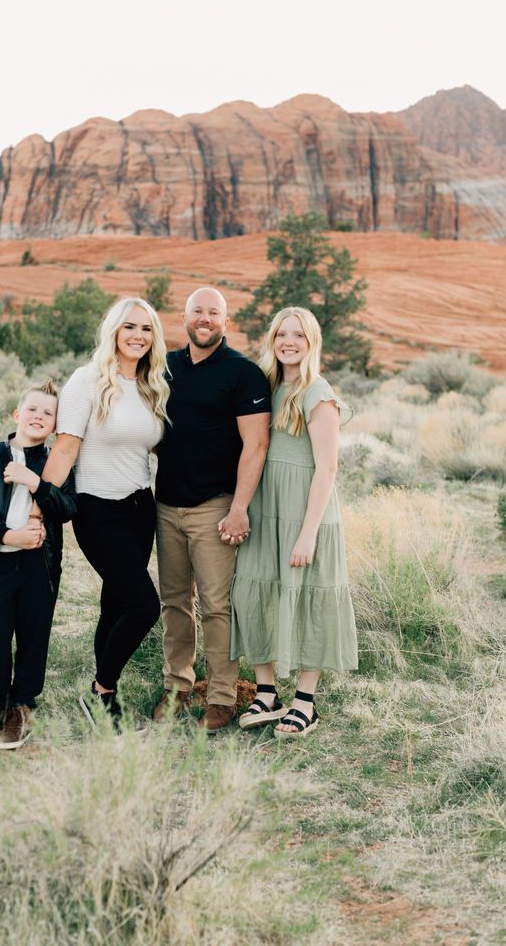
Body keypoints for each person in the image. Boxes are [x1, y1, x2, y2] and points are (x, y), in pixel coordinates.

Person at [35, 297, 170, 729]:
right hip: (97, 510)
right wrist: (39, 510)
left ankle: (104, 706)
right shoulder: (86, 381)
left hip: (140, 509)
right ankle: (101, 691)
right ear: (113, 330)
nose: (138, 336)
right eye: (129, 326)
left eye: (146, 329)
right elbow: (66, 446)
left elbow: (149, 445)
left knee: (115, 605)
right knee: (144, 605)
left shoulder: (152, 385)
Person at [230, 307, 358, 737]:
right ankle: (266, 692)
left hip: (304, 509)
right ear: (272, 339)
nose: (289, 342)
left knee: (306, 598)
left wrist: (307, 534)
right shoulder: (263, 386)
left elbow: (327, 469)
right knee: (255, 588)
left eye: (298, 335)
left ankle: (306, 701)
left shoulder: (317, 392)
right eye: (281, 334)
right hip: (264, 504)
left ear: (311, 341)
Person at [153, 287, 271, 732]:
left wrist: (239, 508)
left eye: (213, 313)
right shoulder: (165, 367)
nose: (205, 319)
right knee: (175, 601)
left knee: (217, 606)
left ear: (226, 320)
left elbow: (256, 445)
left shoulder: (242, 373)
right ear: (184, 317)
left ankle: (221, 696)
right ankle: (177, 686)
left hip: (215, 507)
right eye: (197, 311)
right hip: (165, 504)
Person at [0, 380, 77, 750]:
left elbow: (68, 507)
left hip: (39, 567)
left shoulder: (56, 462)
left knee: (33, 635)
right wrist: (5, 535)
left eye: (48, 412)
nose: (38, 416)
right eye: (32, 409)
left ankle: (22, 707)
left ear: (56, 424)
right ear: (17, 414)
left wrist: (35, 483)